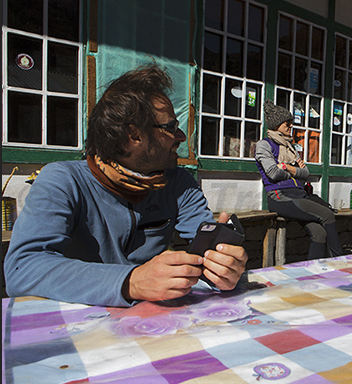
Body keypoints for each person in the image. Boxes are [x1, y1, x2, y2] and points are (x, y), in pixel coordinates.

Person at [4, 64, 248, 307]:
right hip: (75, 329)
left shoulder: (179, 183)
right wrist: (130, 281)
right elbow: (22, 269)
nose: (182, 137)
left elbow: (206, 251)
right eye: (171, 128)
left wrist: (224, 269)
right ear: (134, 136)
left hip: (154, 327)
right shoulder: (62, 180)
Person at [255, 99, 343, 260]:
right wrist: (295, 170)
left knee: (319, 232)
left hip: (299, 195)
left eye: (291, 123)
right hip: (281, 195)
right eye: (286, 124)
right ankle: (340, 260)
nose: (290, 127)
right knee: (327, 215)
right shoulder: (264, 145)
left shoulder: (291, 147)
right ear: (276, 126)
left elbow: (305, 173)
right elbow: (273, 173)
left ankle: (313, 271)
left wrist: (287, 167)